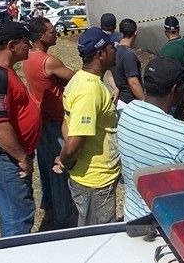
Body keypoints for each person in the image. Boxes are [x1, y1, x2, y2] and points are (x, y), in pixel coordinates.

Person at [0, 21, 40, 237]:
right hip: (6, 160)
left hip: (4, 159)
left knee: (13, 213)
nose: (30, 46)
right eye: (26, 42)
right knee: (18, 219)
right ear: (12, 45)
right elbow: (0, 127)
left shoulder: (4, 71)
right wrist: (22, 158)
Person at [117, 56, 184, 221]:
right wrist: (183, 105)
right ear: (174, 89)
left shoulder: (127, 112)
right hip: (163, 225)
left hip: (132, 216)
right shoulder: (181, 134)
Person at [54, 27, 122, 226]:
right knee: (98, 237)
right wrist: (65, 160)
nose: (115, 50)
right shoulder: (89, 91)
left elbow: (67, 121)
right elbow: (75, 140)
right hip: (95, 181)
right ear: (101, 54)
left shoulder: (81, 79)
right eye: (112, 47)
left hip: (94, 178)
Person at [22, 17, 76, 230]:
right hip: (55, 122)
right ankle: (65, 219)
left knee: (46, 167)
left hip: (40, 121)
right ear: (40, 36)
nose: (55, 34)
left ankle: (50, 208)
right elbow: (74, 78)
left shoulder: (27, 58)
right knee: (60, 169)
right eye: (51, 31)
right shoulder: (48, 61)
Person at [159, 16, 184, 121]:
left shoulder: (166, 50)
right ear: (179, 29)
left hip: (174, 87)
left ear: (165, 32)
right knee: (182, 111)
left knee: (170, 114)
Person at [113, 19, 144, 114]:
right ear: (135, 33)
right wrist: (144, 101)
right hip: (130, 103)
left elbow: (110, 73)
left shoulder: (114, 50)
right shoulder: (129, 55)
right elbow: (133, 83)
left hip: (121, 100)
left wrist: (116, 87)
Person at [100, 12, 120, 101]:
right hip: (111, 84)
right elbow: (110, 72)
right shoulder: (115, 42)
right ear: (115, 26)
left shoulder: (95, 39)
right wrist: (116, 88)